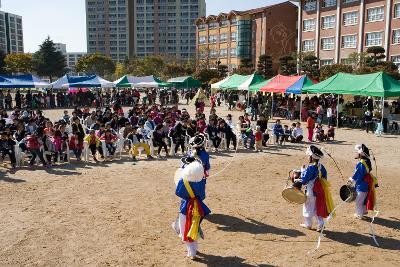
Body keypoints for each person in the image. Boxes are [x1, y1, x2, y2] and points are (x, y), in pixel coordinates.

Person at [172, 156, 211, 259]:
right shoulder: (202, 182)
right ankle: (194, 248)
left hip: (186, 207)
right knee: (194, 227)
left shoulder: (183, 182)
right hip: (198, 207)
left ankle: (191, 252)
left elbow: (178, 193)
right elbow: (202, 196)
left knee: (185, 228)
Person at [299, 145, 334, 231]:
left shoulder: (311, 168)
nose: (308, 157)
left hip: (310, 191)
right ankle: (321, 224)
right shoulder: (321, 167)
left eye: (308, 156)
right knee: (316, 208)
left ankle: (308, 224)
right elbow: (325, 178)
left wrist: (303, 171)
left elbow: (304, 180)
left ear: (311, 157)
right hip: (319, 191)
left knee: (307, 207)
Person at [349, 144, 378, 219]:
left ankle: (359, 214)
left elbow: (358, 174)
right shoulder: (366, 162)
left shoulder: (361, 163)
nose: (355, 153)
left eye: (357, 152)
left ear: (360, 154)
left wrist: (352, 180)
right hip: (366, 183)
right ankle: (364, 211)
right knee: (364, 198)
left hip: (362, 184)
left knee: (358, 200)